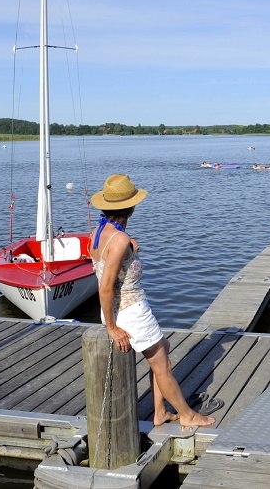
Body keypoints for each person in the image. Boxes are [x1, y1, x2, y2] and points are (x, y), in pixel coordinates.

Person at [90, 173, 216, 428]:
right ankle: (188, 415)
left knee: (163, 349)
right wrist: (112, 328)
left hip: (119, 309)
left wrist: (129, 249)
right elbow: (105, 287)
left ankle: (159, 412)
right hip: (130, 311)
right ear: (131, 207)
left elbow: (107, 262)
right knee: (163, 364)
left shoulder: (100, 231)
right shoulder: (120, 240)